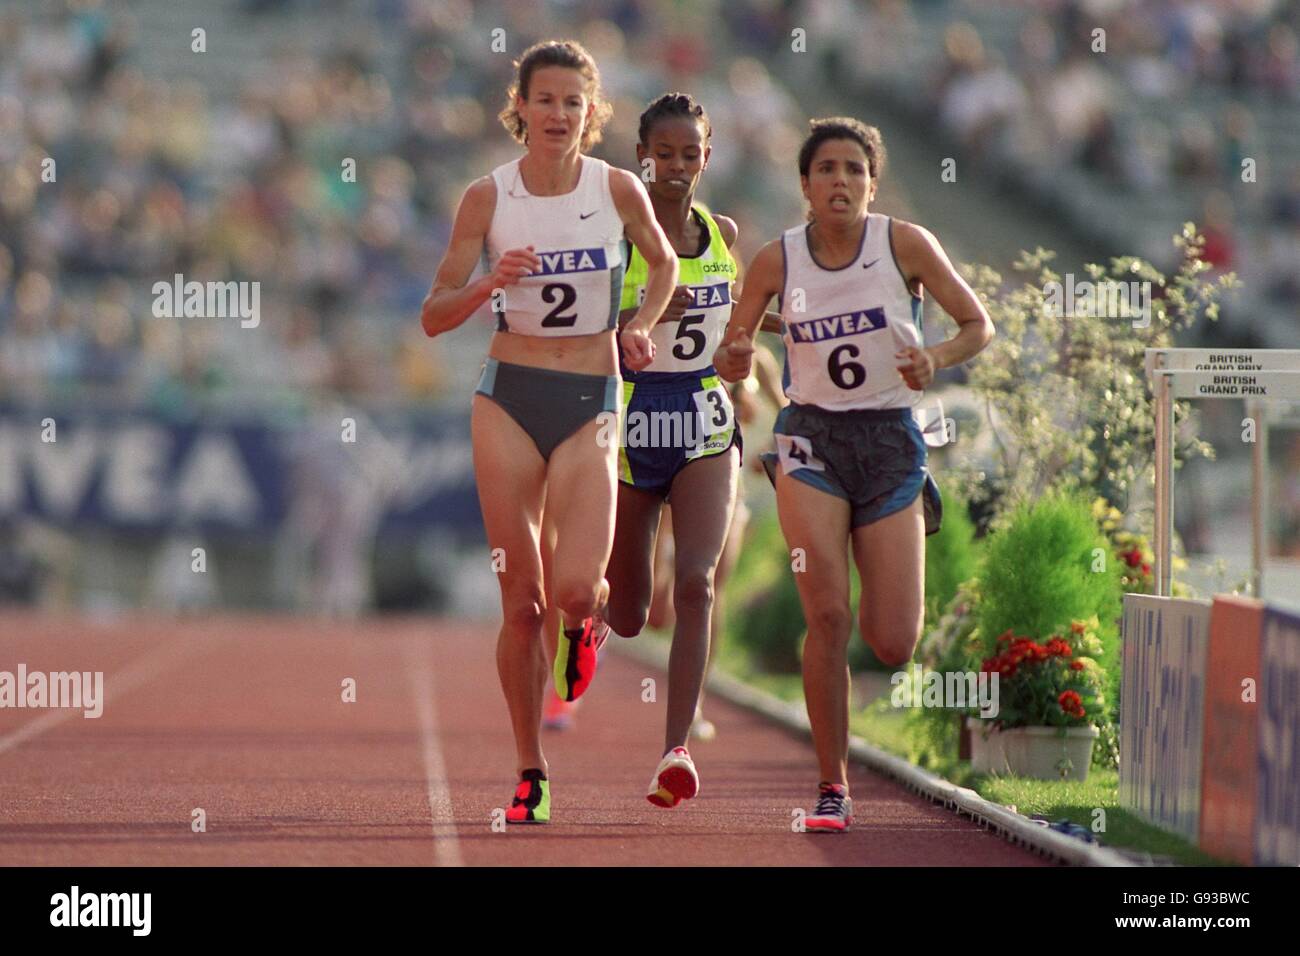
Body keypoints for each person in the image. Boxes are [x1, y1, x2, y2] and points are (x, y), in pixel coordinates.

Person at [420, 40, 677, 824]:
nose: (559, 114)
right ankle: (530, 767)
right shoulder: (486, 198)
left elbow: (662, 265)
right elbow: (433, 314)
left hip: (593, 397)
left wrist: (639, 325)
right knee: (521, 603)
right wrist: (486, 286)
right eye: (546, 100)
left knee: (572, 589)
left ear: (592, 114)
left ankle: (586, 625)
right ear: (520, 109)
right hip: (507, 396)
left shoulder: (617, 187)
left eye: (574, 102)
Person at [714, 117, 994, 832]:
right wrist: (738, 357)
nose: (841, 181)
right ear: (805, 186)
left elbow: (977, 324)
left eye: (854, 170)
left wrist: (935, 357)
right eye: (826, 169)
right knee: (828, 615)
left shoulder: (904, 244)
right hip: (811, 439)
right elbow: (733, 345)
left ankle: (896, 546)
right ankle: (832, 784)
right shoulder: (776, 262)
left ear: (872, 183)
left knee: (894, 638)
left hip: (891, 441)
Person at [603, 91, 743, 808]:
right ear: (641, 158)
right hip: (630, 428)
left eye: (691, 154)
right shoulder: (616, 239)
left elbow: (740, 312)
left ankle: (676, 750)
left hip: (704, 424)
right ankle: (590, 619)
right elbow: (573, 334)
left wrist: (763, 333)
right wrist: (637, 314)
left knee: (695, 582)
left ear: (706, 158)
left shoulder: (721, 233)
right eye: (665, 154)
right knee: (627, 614)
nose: (678, 167)